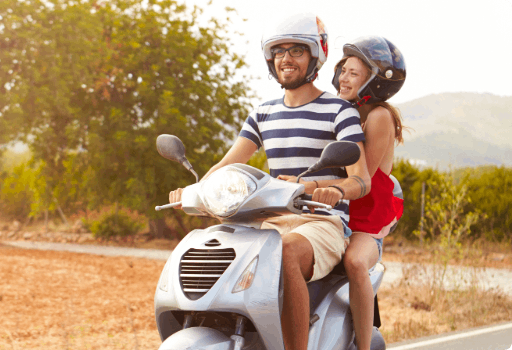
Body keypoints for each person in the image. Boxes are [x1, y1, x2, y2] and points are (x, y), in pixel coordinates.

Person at [169, 14, 372, 350]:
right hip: (269, 218)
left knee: (286, 251)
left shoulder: (339, 110)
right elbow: (228, 163)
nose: (285, 59)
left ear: (314, 57)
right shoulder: (263, 112)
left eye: (295, 51)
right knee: (215, 247)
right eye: (278, 52)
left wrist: (332, 190)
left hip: (320, 221)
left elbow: (360, 179)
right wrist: (196, 189)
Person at [332, 36, 407, 350]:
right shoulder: (337, 108)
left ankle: (363, 346)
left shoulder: (378, 117)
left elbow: (361, 178)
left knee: (355, 263)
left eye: (353, 73)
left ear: (375, 82)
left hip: (364, 219)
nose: (343, 78)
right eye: (343, 71)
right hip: (335, 211)